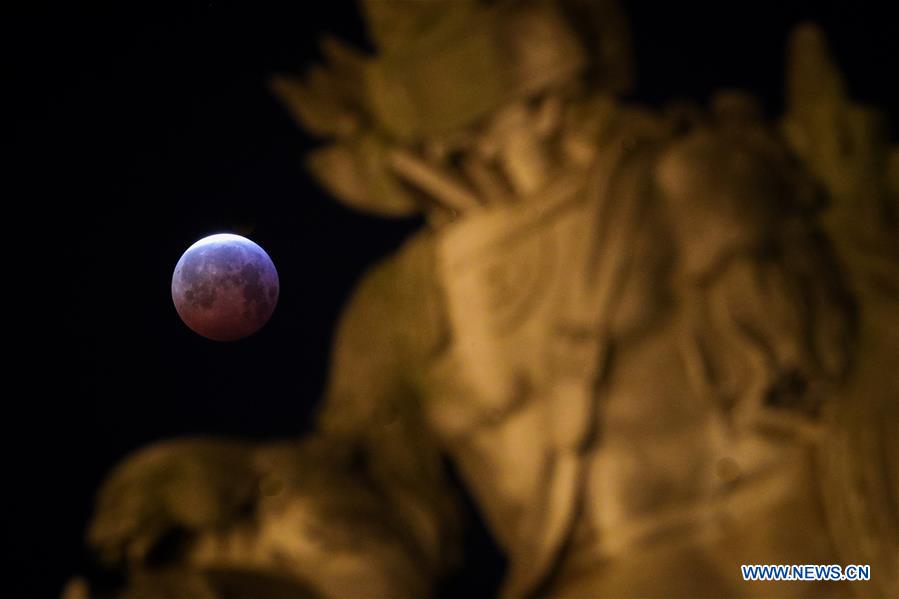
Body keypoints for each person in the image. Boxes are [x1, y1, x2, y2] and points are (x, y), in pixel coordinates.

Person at [74, 1, 898, 597]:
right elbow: (386, 543)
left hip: (805, 563)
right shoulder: (404, 304)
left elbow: (837, 363)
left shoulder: (694, 176)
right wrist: (231, 526)